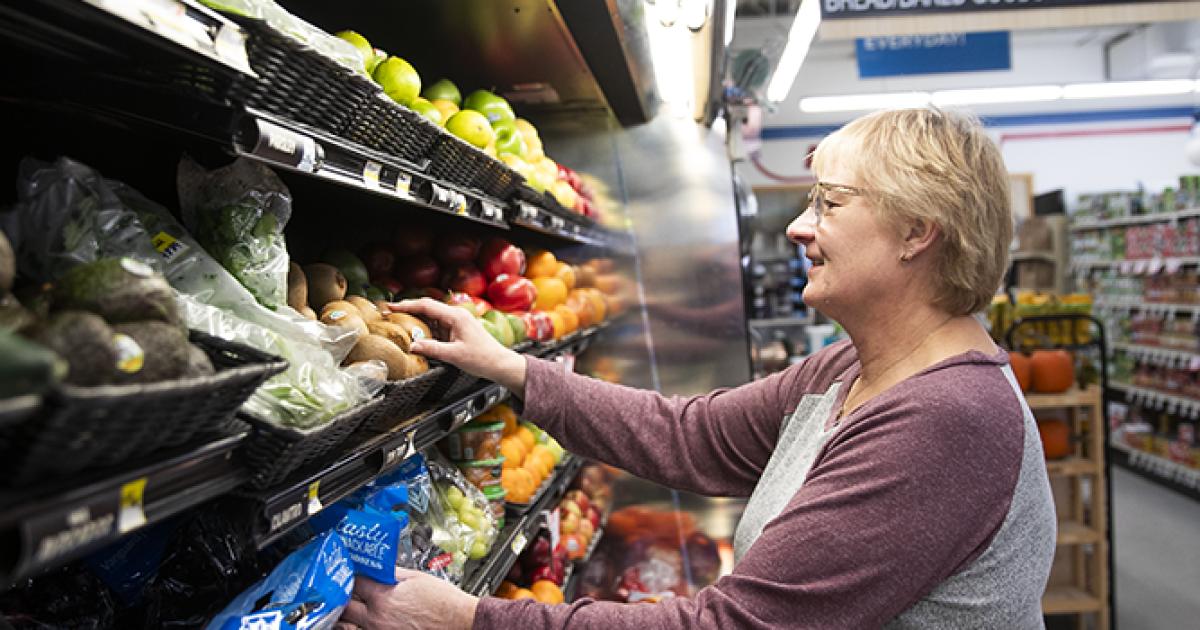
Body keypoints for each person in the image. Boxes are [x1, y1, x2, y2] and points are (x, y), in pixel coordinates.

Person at [339, 108, 1057, 629]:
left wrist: (471, 621)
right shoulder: (849, 370)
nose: (799, 227)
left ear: (917, 232)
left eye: (829, 203)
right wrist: (513, 370)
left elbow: (736, 626)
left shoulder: (946, 422)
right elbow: (694, 436)